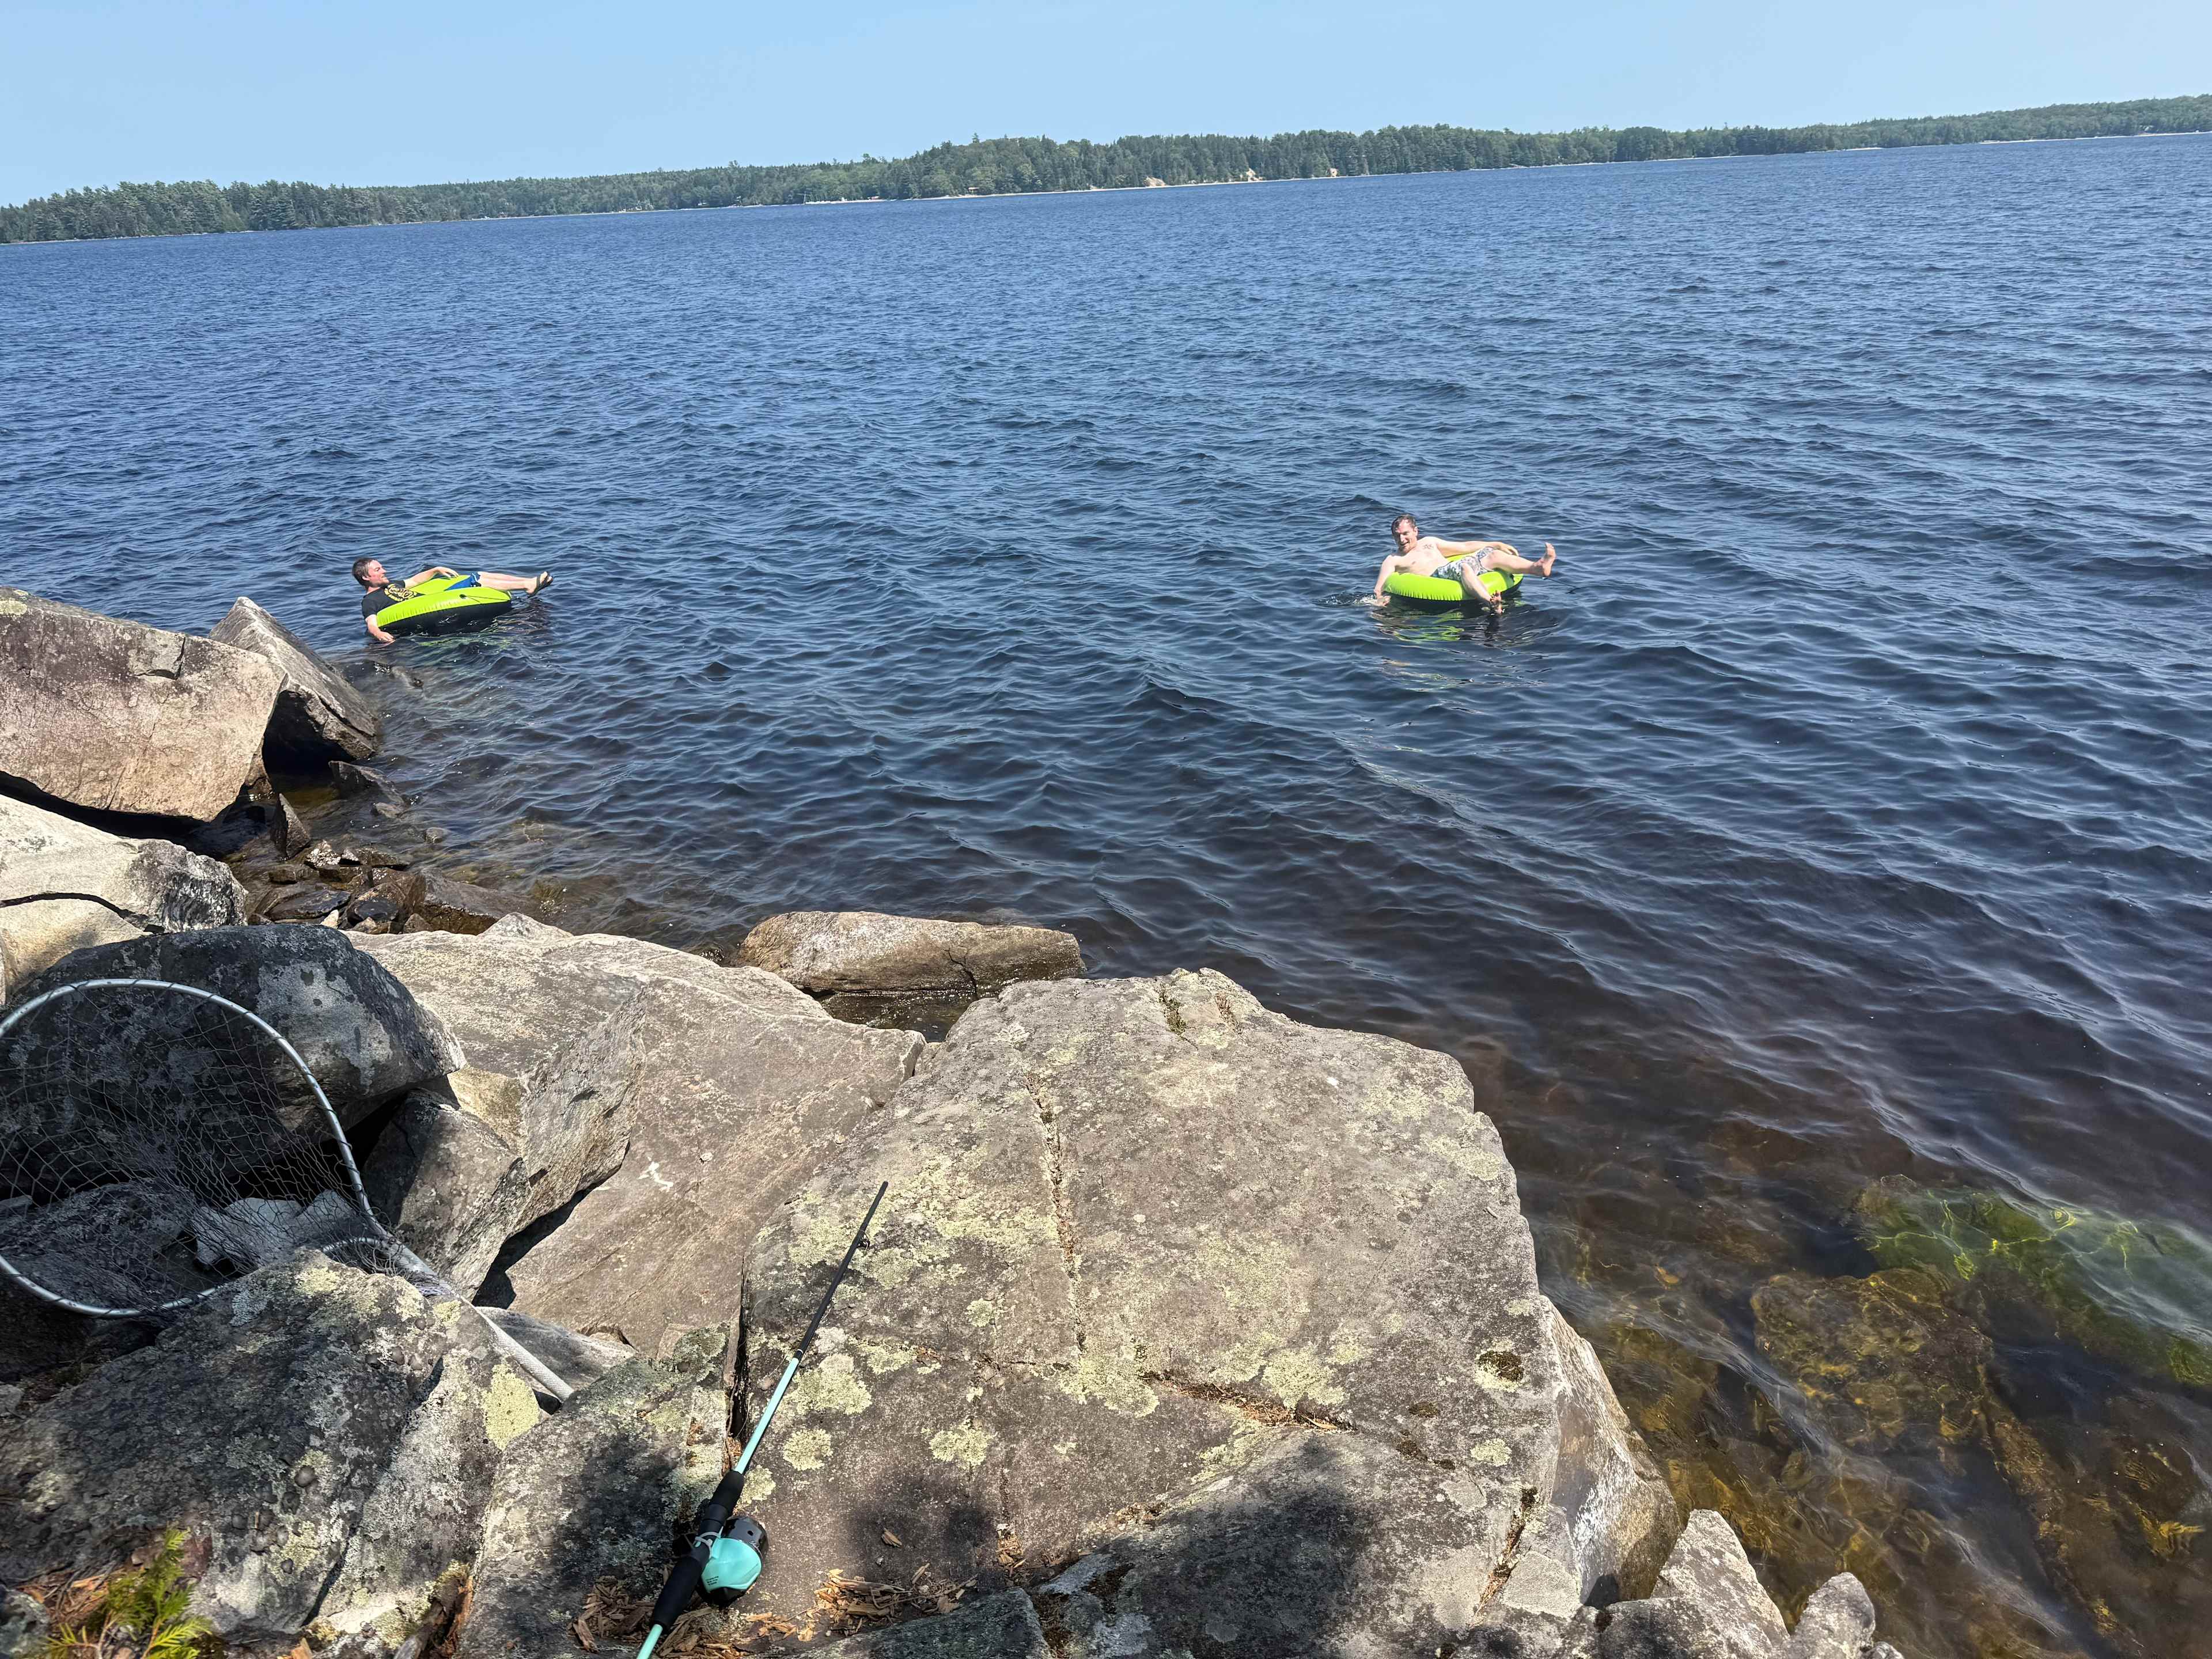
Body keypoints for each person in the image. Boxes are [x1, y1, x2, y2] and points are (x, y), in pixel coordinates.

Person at [1370, 514, 1556, 610]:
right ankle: (1490, 603)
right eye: (1397, 536)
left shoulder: (1430, 542)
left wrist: (1496, 543)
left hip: (1453, 567)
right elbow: (1379, 587)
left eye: (1405, 534)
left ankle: (1538, 568)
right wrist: (1379, 600)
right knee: (1464, 567)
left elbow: (1465, 547)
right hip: (1439, 577)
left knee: (1493, 555)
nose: (1401, 539)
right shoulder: (1394, 559)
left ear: (1415, 531)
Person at [353, 558, 551, 643]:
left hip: (432, 598)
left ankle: (528, 582)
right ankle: (528, 586)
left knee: (478, 574)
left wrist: (435, 570)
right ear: (366, 577)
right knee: (477, 580)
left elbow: (414, 581)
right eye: (378, 570)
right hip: (427, 608)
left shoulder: (392, 585)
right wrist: (380, 635)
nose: (384, 571)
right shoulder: (371, 601)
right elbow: (372, 623)